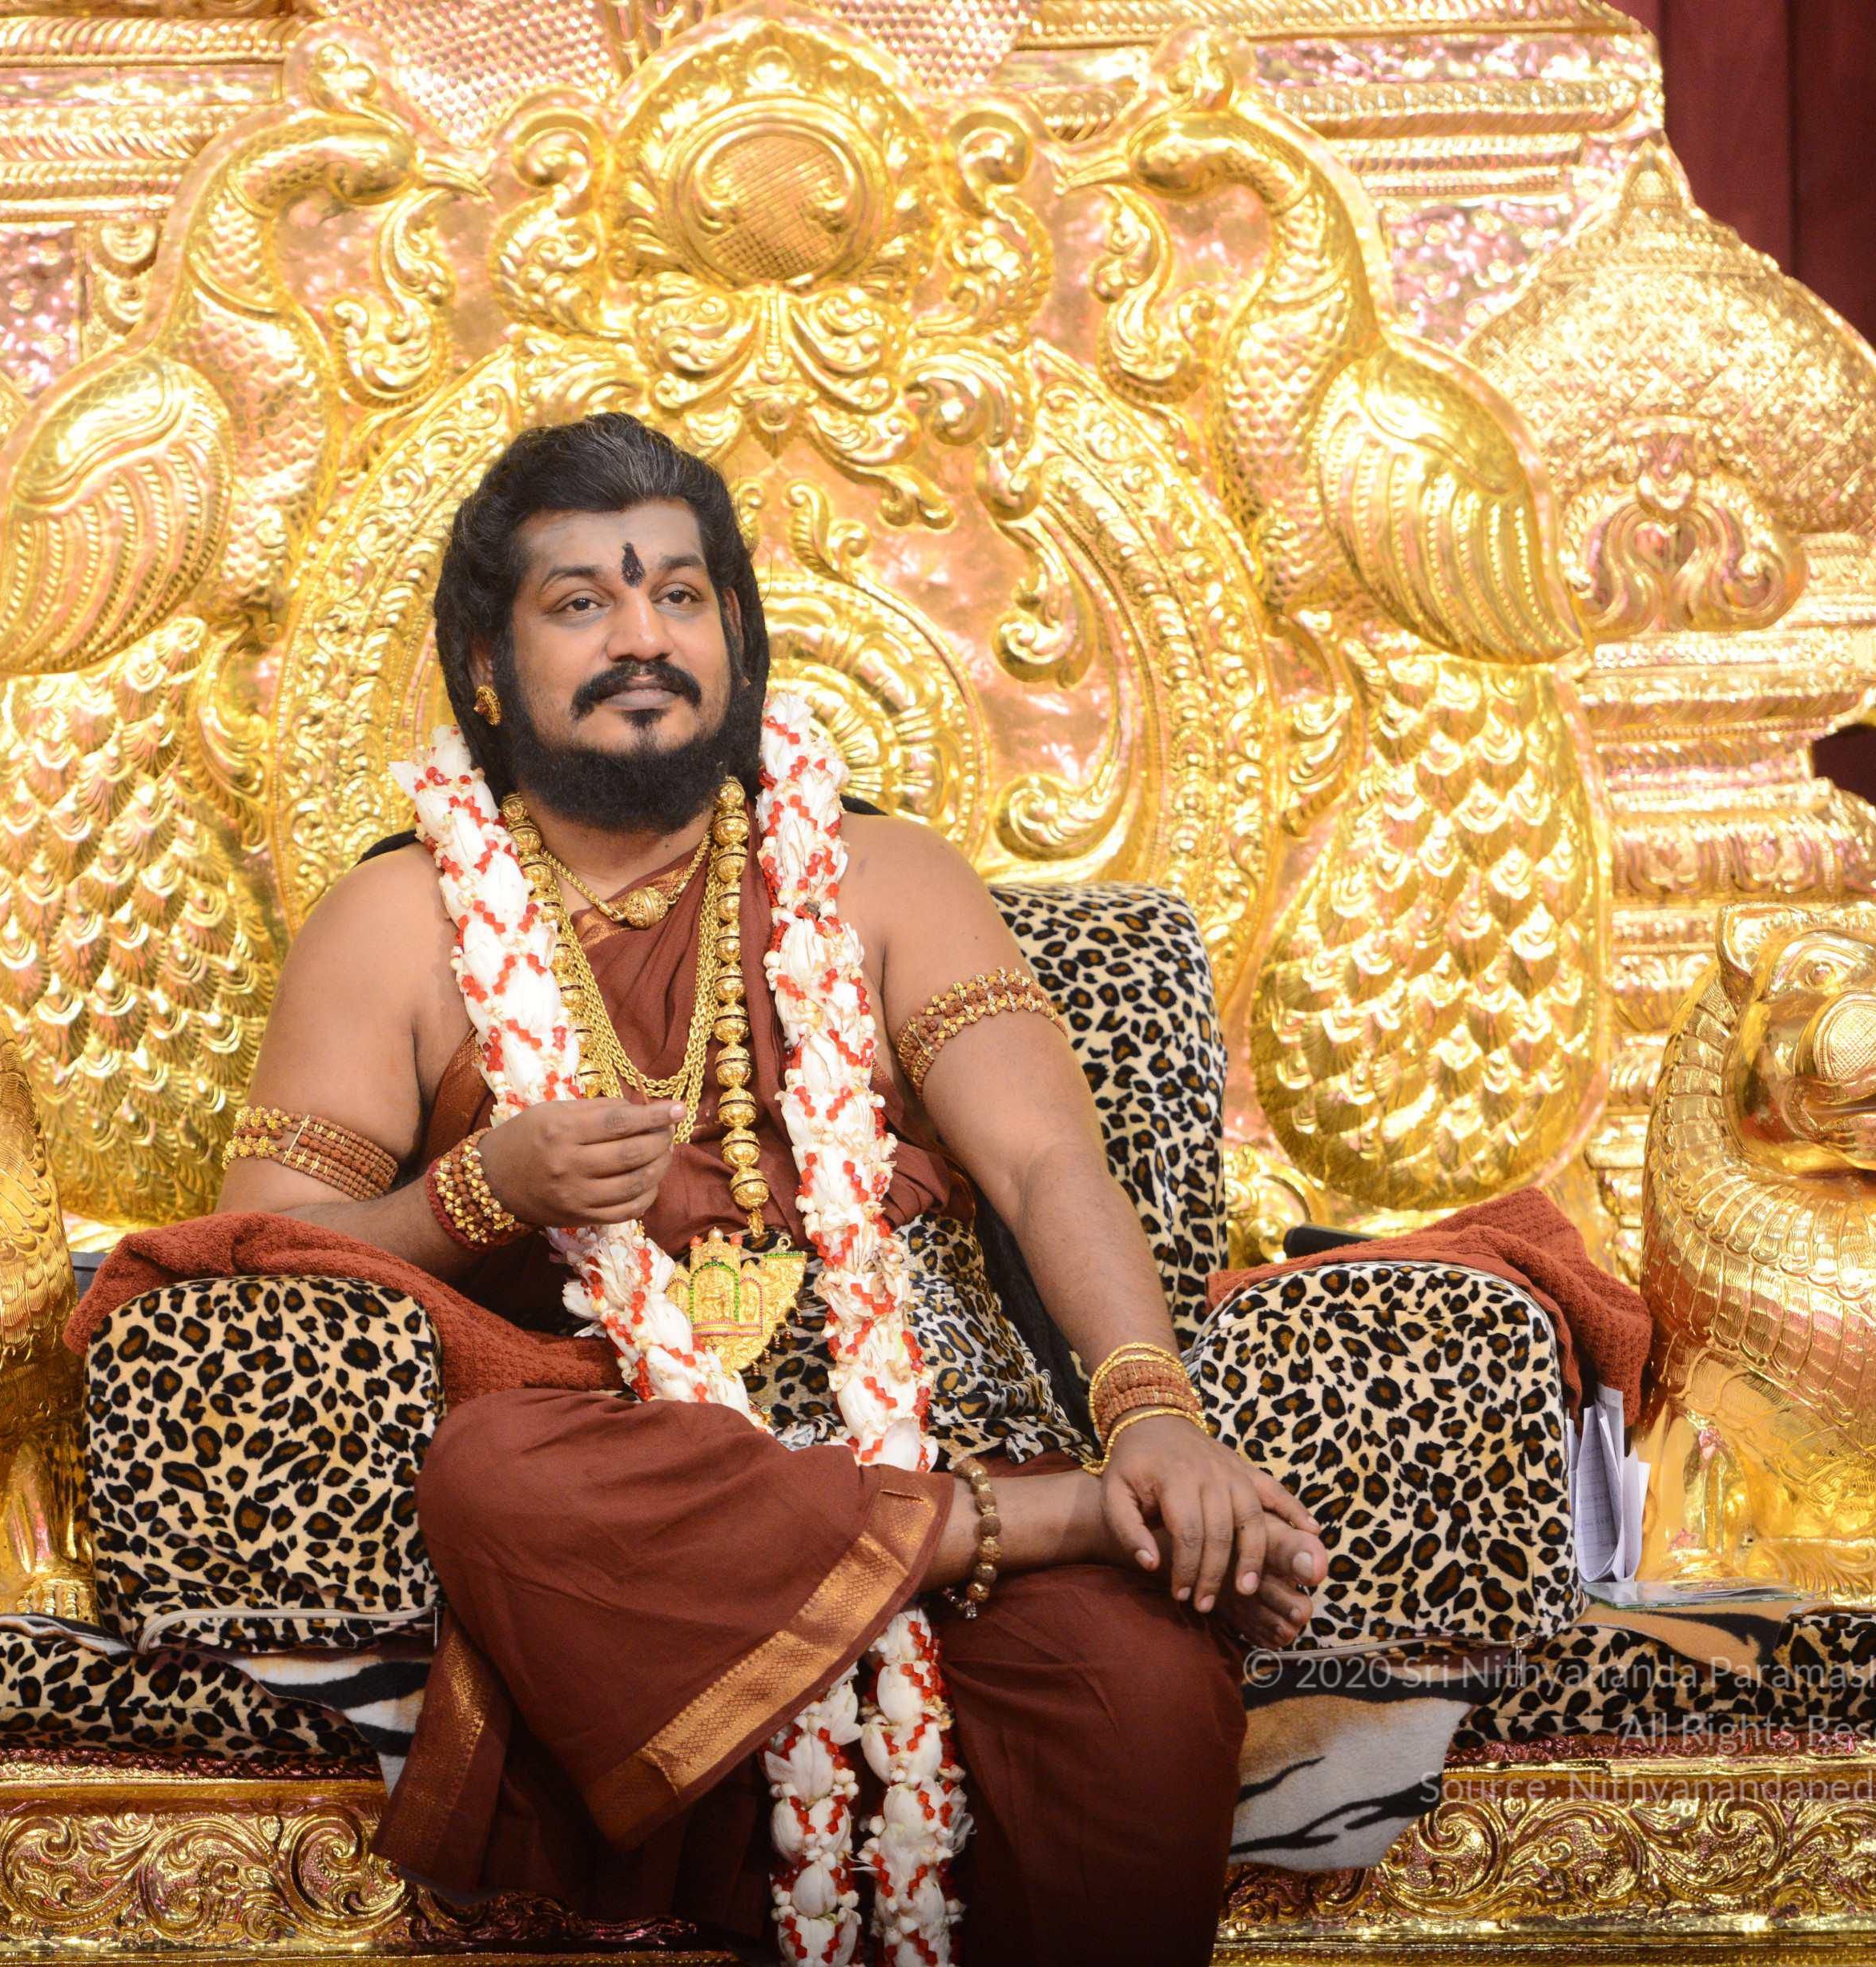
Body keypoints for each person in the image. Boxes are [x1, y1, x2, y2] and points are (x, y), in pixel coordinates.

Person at [218, 412, 1327, 1965]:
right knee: (491, 1477)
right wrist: (478, 1193)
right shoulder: (396, 921)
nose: (642, 638)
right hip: (642, 1479)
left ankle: (995, 1521)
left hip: (929, 1416)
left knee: (1137, 1688)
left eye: (679, 594)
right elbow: (263, 1256)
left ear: (735, 635)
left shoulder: (886, 877)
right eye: (582, 602)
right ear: (486, 663)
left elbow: (1040, 1158)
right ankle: (1038, 1525)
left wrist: (1147, 1412)